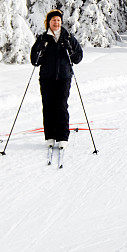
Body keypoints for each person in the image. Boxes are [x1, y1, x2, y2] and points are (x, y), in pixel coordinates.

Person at [30, 9, 84, 153]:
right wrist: (39, 50)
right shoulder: (43, 38)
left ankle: (62, 137)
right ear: (49, 22)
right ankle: (50, 136)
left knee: (61, 106)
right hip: (47, 78)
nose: (56, 22)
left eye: (58, 20)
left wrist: (70, 51)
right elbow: (34, 61)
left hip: (64, 77)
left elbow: (78, 57)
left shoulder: (67, 37)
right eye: (53, 20)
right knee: (48, 107)